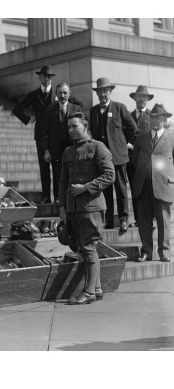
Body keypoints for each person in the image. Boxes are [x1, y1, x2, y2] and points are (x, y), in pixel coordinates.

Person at [59, 112, 115, 304]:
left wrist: (85, 188)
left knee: (89, 249)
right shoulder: (68, 152)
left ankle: (89, 292)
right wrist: (62, 208)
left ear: (85, 126)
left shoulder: (98, 147)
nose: (71, 130)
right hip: (73, 209)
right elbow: (63, 181)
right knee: (81, 248)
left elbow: (109, 175)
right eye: (69, 127)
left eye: (75, 126)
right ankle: (97, 288)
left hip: (91, 208)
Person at [12, 64, 81, 204]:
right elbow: (17, 109)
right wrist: (29, 118)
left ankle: (56, 196)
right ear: (40, 77)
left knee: (57, 166)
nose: (47, 79)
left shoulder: (59, 94)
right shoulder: (34, 94)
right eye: (45, 76)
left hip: (58, 134)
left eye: (50, 77)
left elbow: (77, 104)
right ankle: (45, 196)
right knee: (44, 167)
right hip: (41, 135)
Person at [89, 77, 138, 232]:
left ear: (110, 92)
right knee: (106, 190)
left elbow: (133, 130)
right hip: (102, 159)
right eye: (100, 92)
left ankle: (123, 219)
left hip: (118, 157)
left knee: (121, 189)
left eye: (105, 92)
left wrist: (124, 145)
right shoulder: (94, 111)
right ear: (97, 94)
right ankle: (108, 220)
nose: (103, 95)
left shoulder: (119, 108)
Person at [132, 104, 174, 263]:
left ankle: (164, 252)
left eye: (159, 118)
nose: (155, 121)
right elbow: (135, 160)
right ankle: (146, 252)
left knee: (163, 221)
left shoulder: (172, 137)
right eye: (153, 117)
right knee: (144, 221)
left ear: (164, 119)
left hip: (163, 185)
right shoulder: (141, 138)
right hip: (143, 185)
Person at [41, 81, 82, 204]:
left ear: (69, 94)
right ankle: (59, 199)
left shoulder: (76, 108)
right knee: (58, 175)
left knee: (73, 174)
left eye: (65, 93)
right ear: (56, 94)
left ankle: (73, 198)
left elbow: (83, 128)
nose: (62, 96)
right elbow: (44, 132)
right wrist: (46, 150)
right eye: (60, 93)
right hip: (56, 150)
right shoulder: (50, 110)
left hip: (72, 148)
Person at [126, 85, 154, 226]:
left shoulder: (151, 116)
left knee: (148, 190)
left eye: (144, 97)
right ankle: (138, 220)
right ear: (134, 98)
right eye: (139, 97)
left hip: (146, 161)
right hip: (131, 161)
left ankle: (150, 219)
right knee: (135, 189)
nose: (141, 99)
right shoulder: (128, 116)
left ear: (148, 100)